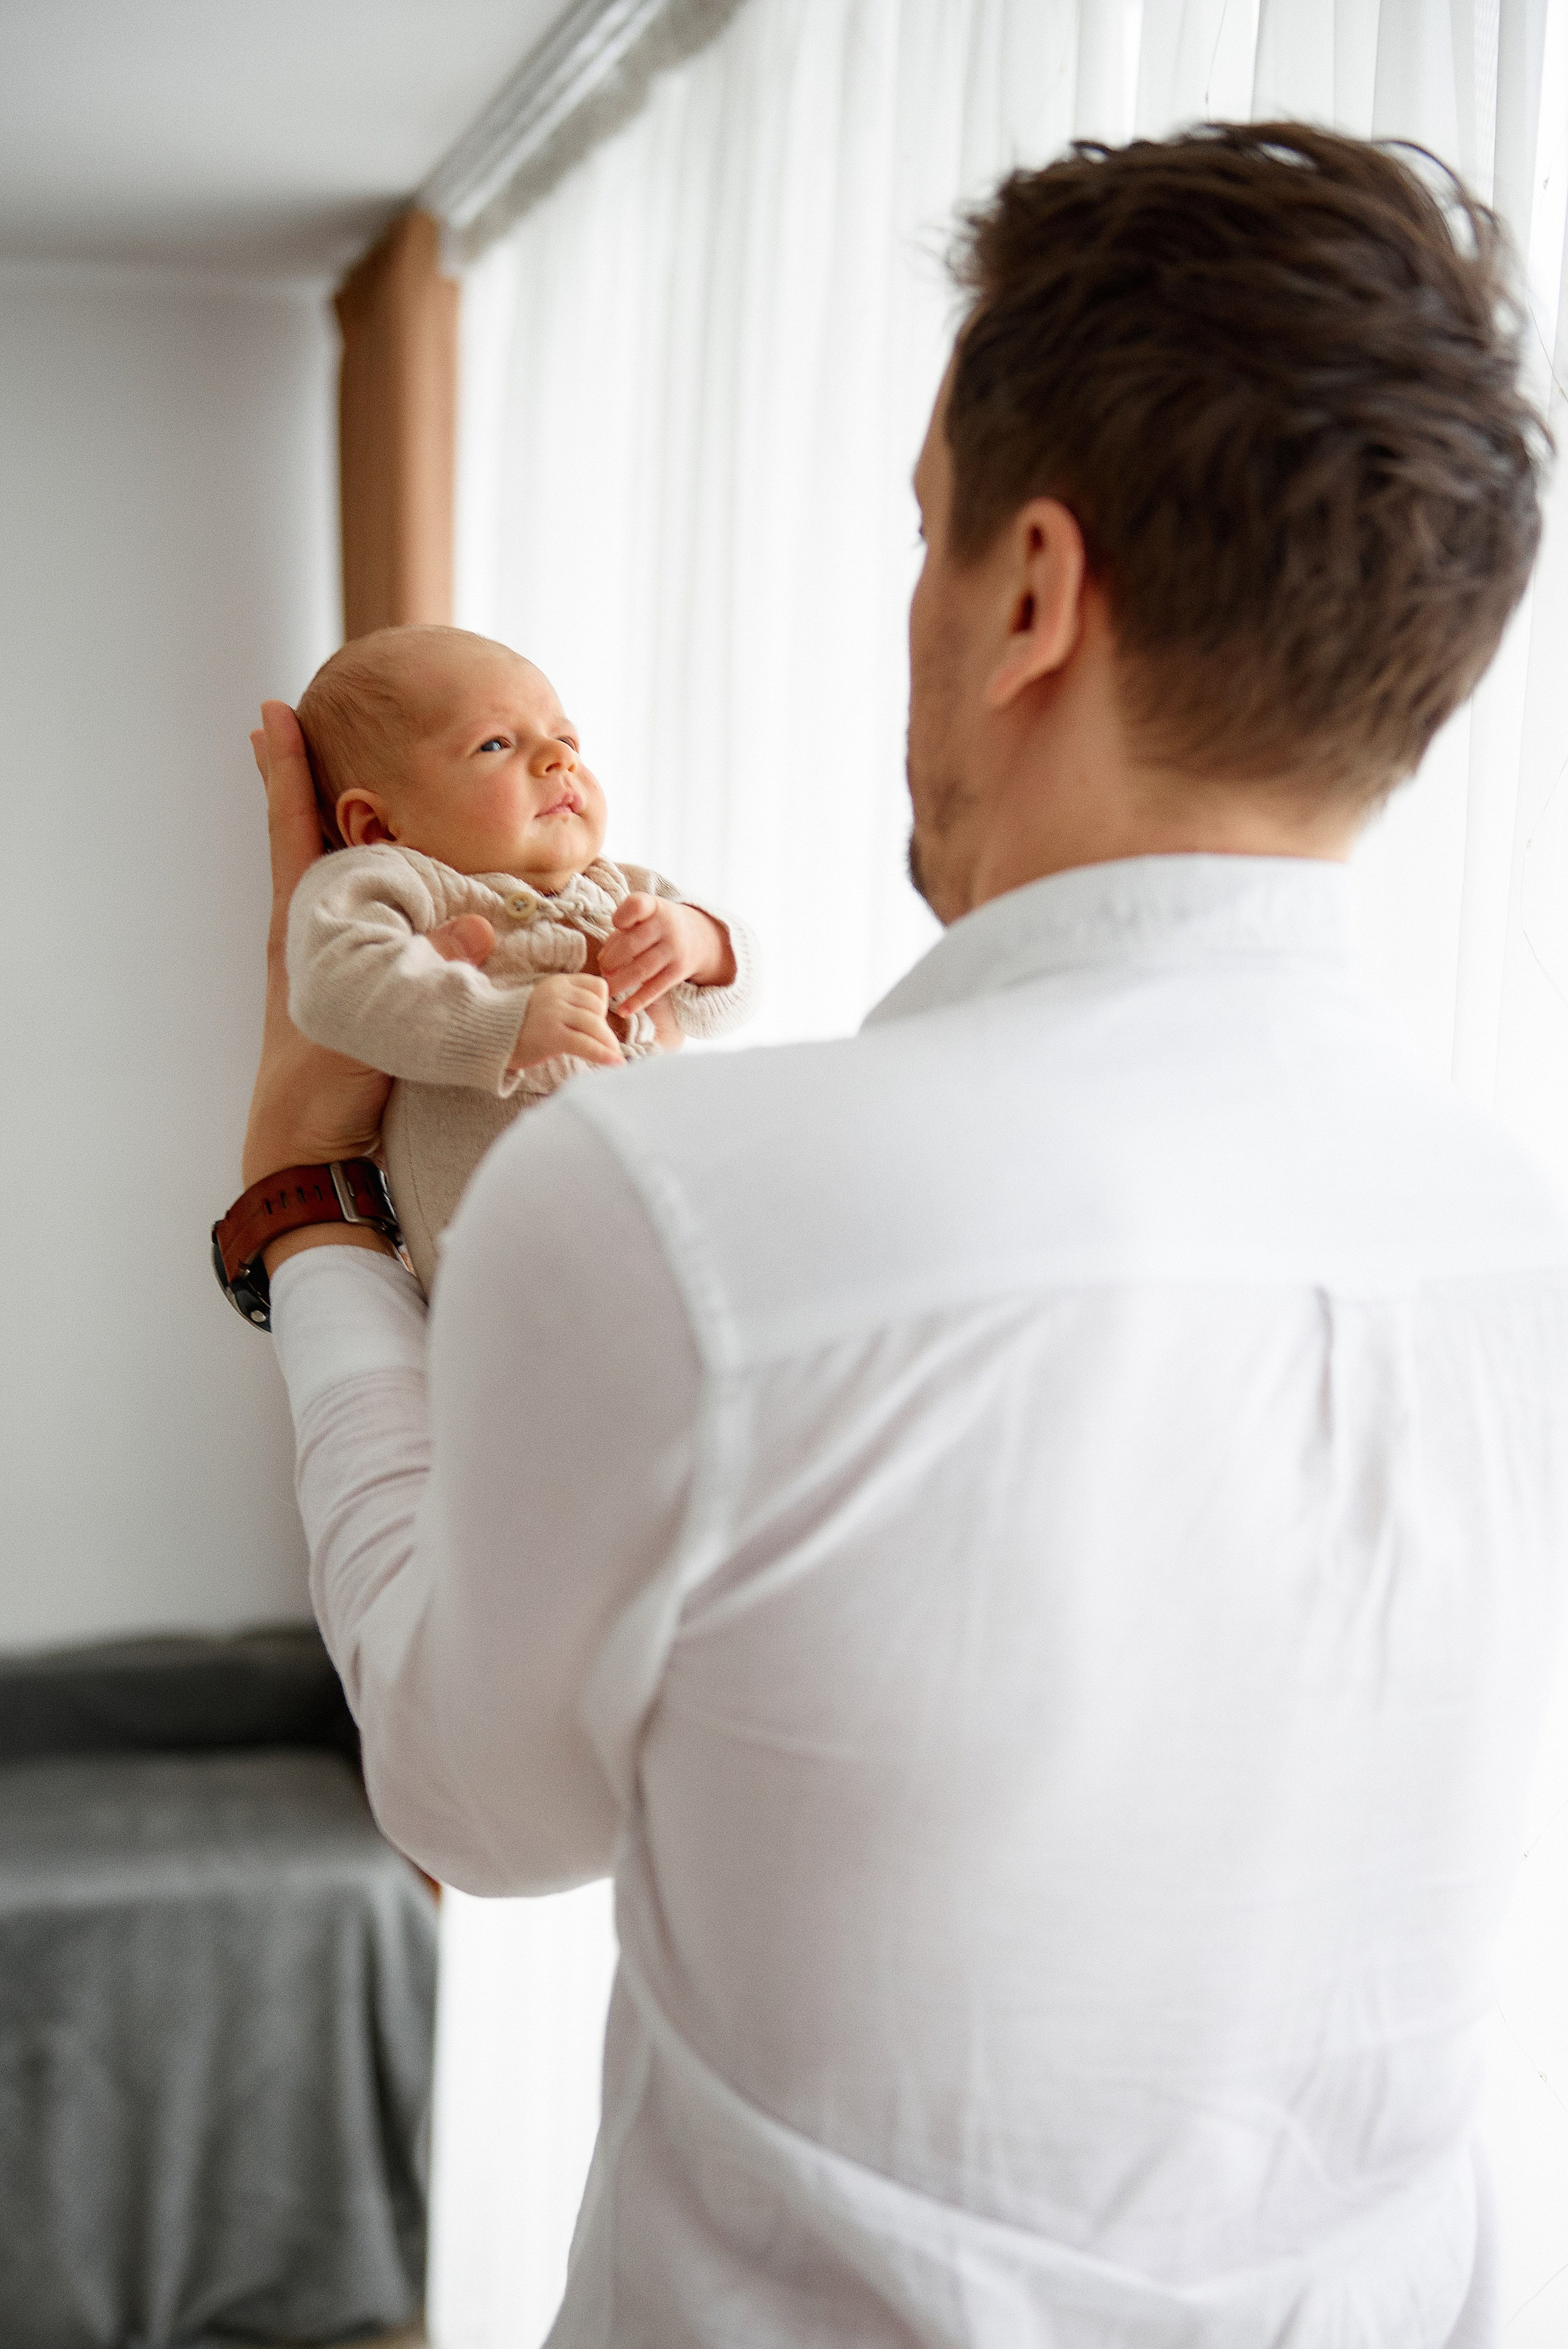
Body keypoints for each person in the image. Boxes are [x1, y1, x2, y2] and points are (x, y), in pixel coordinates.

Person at [233, 124, 1568, 2347]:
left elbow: (470, 1799)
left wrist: (303, 1209)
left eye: (924, 541)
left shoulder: (673, 1210)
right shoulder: (1521, 1243)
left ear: (1029, 593)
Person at [286, 626, 756, 1288]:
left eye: (565, 741)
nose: (557, 761)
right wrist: (504, 1024)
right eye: (496, 744)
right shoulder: (398, 884)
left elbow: (732, 1001)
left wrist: (703, 945)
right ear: (379, 826)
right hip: (510, 1264)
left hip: (666, 1223)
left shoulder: (627, 889)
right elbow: (335, 983)